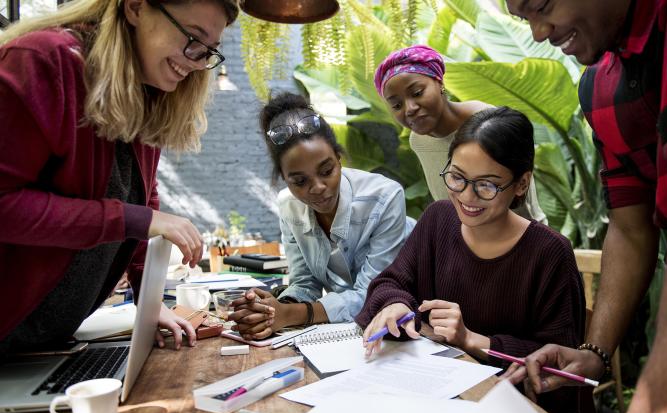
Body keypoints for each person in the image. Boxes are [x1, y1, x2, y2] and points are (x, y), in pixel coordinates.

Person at [502, 0, 667, 413]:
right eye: (523, 19)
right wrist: (594, 352)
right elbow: (630, 228)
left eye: (542, 6)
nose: (537, 32)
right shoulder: (600, 89)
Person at [0, 0, 238, 354]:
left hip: (43, 345)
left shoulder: (146, 90)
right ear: (136, 8)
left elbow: (142, 195)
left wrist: (149, 299)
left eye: (208, 51)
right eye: (192, 37)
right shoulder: (43, 61)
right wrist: (133, 219)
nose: (195, 61)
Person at [355, 106, 593, 413]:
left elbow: (558, 368)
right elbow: (391, 282)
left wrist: (470, 339)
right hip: (433, 402)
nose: (467, 197)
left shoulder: (549, 253)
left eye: (487, 185)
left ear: (521, 184)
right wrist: (395, 305)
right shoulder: (438, 219)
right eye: (457, 178)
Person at [229, 93, 414, 340]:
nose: (317, 187)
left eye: (326, 171)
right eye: (300, 181)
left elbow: (373, 294)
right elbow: (305, 283)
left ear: (339, 159)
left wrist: (290, 314)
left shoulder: (384, 198)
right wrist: (269, 310)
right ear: (284, 178)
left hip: (407, 319)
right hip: (350, 332)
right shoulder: (288, 206)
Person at [374, 44, 547, 224]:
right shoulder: (418, 140)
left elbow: (523, 200)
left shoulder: (490, 124)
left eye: (417, 93)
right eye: (396, 105)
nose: (409, 109)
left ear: (439, 82)